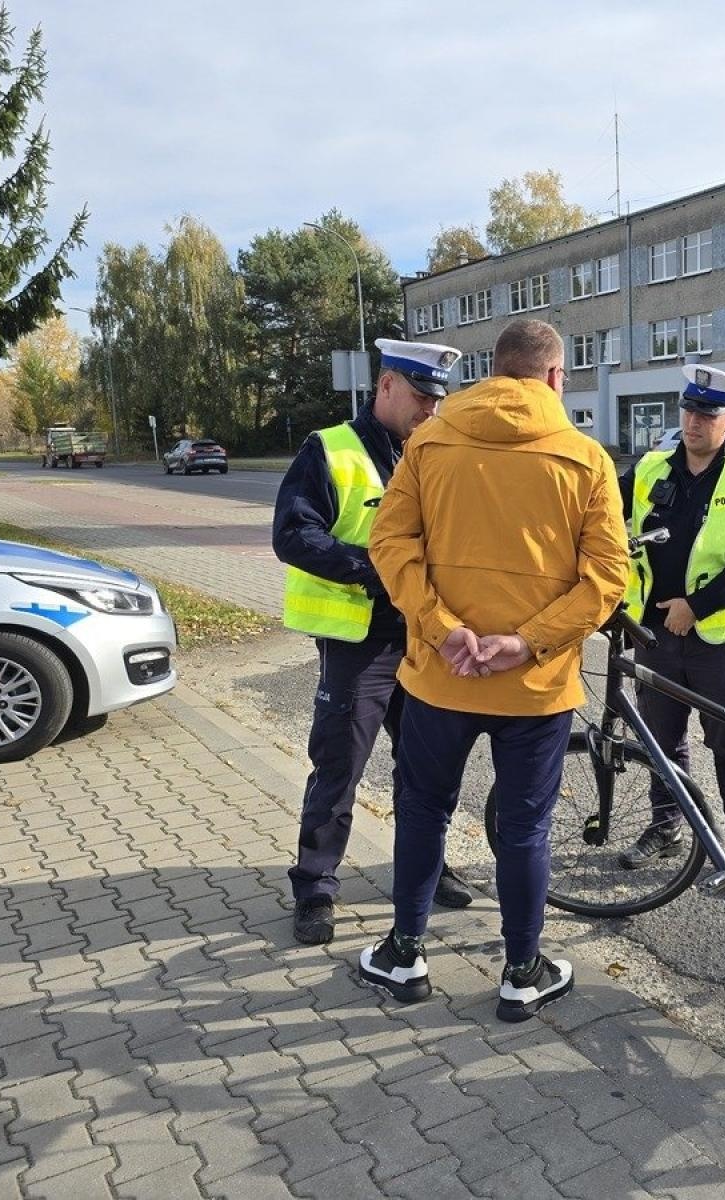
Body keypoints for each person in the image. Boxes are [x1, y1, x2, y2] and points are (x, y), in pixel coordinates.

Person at [359, 317, 630, 1021]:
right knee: (524, 828)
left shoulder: (430, 442)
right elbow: (607, 579)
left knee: (423, 811)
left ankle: (404, 954)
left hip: (441, 677)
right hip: (535, 687)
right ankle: (521, 972)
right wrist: (526, 642)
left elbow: (389, 543)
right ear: (555, 377)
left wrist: (441, 628)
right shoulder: (586, 459)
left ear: (493, 369)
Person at [272, 338, 474, 946]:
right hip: (360, 643)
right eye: (419, 397)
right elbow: (294, 534)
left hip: (423, 640)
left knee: (426, 769)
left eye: (437, 401)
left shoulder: (436, 452)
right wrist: (376, 569)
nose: (430, 411)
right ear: (386, 385)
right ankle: (315, 886)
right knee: (339, 766)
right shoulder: (330, 449)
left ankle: (427, 867)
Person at [616, 364, 725, 872]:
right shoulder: (650, 469)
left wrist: (696, 607)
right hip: (653, 633)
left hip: (718, 640)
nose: (693, 422)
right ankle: (667, 826)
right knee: (661, 740)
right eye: (688, 410)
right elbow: (600, 513)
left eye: (707, 414)